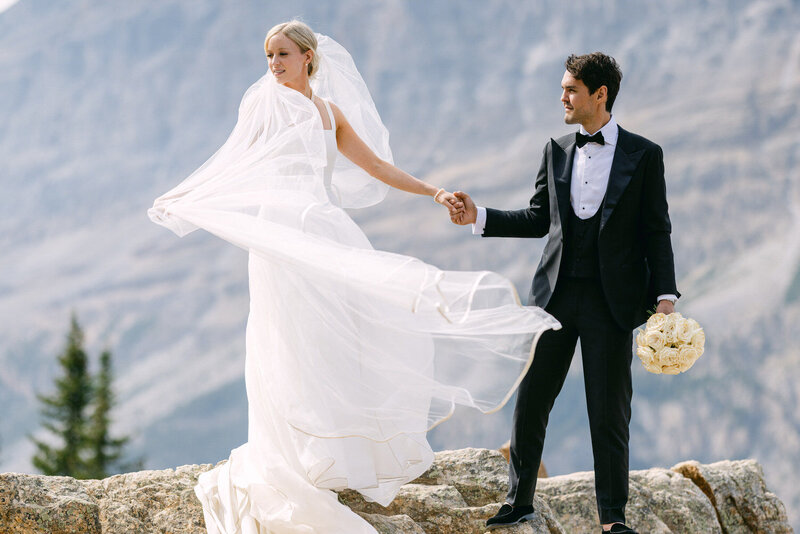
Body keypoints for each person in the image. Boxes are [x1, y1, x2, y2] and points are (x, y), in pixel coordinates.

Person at [149, 20, 560, 534]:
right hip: (281, 240)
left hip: (322, 229)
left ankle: (329, 455)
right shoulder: (263, 104)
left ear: (307, 59)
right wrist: (188, 196)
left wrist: (434, 192)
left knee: (339, 334)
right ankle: (288, 455)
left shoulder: (328, 112)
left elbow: (377, 166)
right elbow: (233, 160)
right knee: (281, 340)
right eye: (268, 56)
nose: (273, 64)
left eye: (281, 54)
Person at [451, 52, 679, 534]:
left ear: (601, 95)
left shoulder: (645, 155)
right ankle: (519, 502)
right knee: (531, 401)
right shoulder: (555, 148)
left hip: (612, 305)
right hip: (553, 298)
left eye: (571, 90)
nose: (562, 98)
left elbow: (657, 232)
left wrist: (665, 298)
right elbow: (538, 218)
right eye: (563, 88)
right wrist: (481, 216)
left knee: (609, 411)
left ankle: (613, 520)